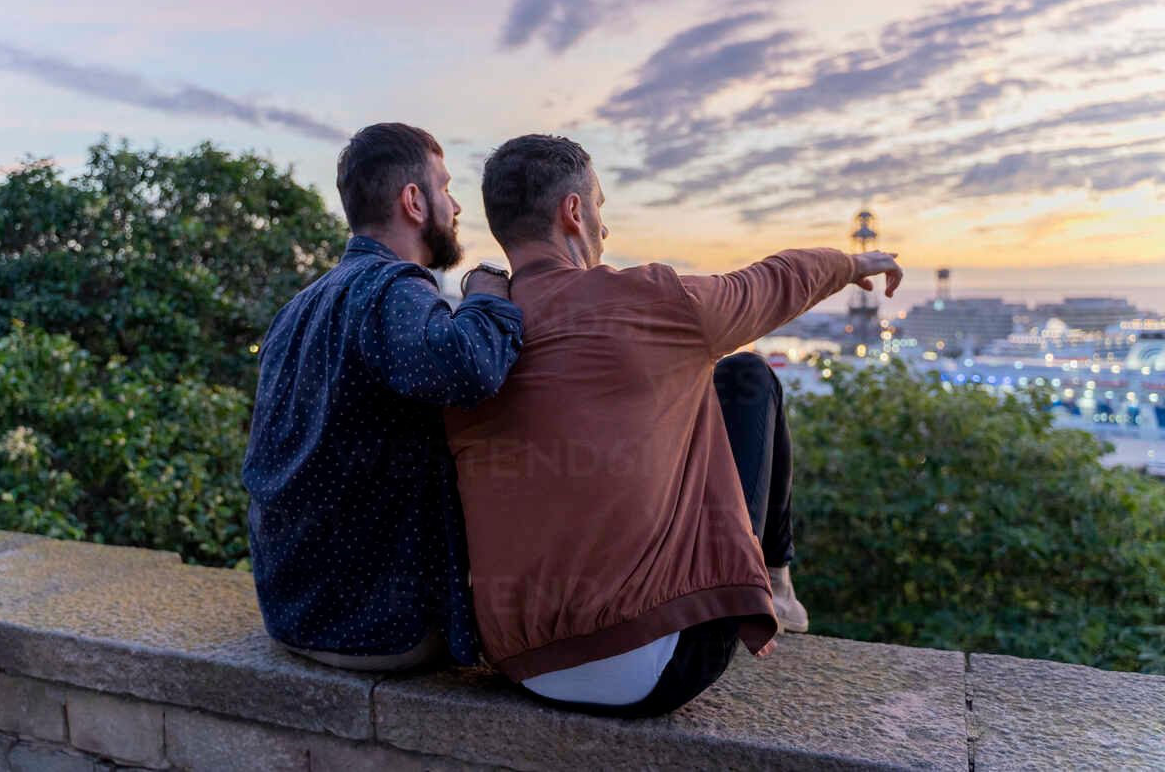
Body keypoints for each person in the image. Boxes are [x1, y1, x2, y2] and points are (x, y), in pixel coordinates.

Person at [444, 134, 901, 716]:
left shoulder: (467, 344)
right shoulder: (646, 299)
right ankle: (778, 585)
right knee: (746, 377)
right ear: (574, 212)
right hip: (654, 664)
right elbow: (771, 281)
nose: (604, 231)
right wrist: (854, 262)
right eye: (600, 208)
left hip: (519, 663)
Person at [242, 123, 524, 671]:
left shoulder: (298, 308)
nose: (457, 203)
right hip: (377, 634)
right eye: (445, 187)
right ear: (413, 200)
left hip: (292, 619)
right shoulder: (391, 289)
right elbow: (470, 370)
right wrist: (488, 287)